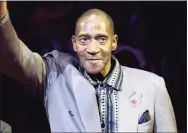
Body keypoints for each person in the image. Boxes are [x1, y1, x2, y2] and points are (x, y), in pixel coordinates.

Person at [0, 1, 177, 132]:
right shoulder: (54, 76)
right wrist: (2, 16)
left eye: (101, 39)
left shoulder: (152, 86)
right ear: (74, 43)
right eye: (84, 39)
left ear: (114, 42)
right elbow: (15, 57)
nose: (92, 49)